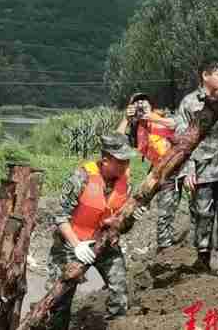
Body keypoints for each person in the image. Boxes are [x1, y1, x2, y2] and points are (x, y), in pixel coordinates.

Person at [46, 133, 143, 329]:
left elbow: (122, 227)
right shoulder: (80, 177)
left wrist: (131, 218)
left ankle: (116, 325)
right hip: (70, 244)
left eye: (127, 161)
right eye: (120, 161)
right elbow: (60, 216)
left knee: (119, 291)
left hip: (104, 243)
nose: (125, 165)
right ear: (106, 160)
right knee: (59, 301)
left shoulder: (127, 184)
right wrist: (77, 245)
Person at [176, 60, 218, 276]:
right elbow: (182, 141)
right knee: (202, 213)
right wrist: (187, 170)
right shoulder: (190, 102)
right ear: (205, 76)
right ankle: (203, 257)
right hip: (202, 166)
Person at [116, 92, 181, 252]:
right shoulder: (136, 127)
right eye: (136, 103)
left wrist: (150, 117)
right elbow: (115, 140)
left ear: (151, 105)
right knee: (139, 201)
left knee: (166, 208)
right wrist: (126, 118)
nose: (140, 105)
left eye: (143, 102)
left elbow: (176, 124)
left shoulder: (161, 117)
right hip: (155, 168)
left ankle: (165, 246)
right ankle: (120, 230)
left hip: (172, 166)